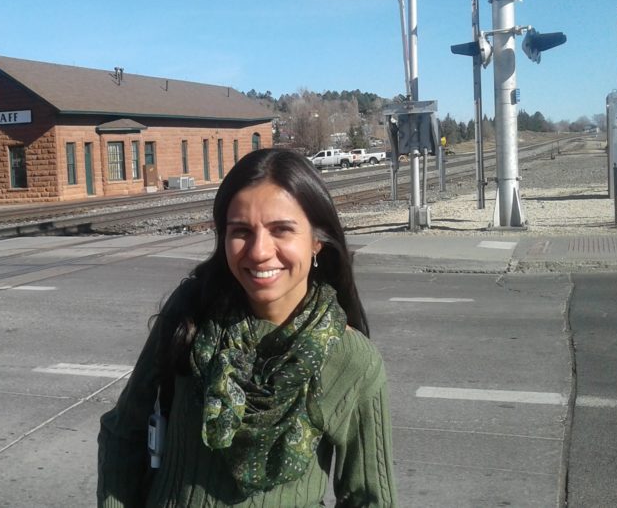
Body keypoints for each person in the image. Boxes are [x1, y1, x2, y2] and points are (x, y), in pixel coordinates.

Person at [97, 148, 397, 507]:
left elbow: (369, 498)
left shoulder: (352, 361)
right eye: (241, 231)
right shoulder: (191, 315)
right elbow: (123, 433)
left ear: (316, 240)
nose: (258, 251)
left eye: (281, 230)